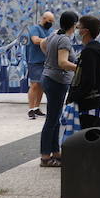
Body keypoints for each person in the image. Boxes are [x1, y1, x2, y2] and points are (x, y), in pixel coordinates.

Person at [38, 11, 79, 168]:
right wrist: (80, 68)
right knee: (52, 120)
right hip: (56, 81)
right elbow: (63, 63)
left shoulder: (55, 34)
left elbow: (43, 44)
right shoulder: (64, 40)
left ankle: (55, 153)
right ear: (73, 25)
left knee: (55, 118)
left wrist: (50, 59)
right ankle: (45, 157)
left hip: (49, 78)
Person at [26, 11, 53, 121]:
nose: (50, 23)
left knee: (42, 85)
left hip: (46, 62)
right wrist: (49, 40)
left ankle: (37, 107)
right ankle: (31, 109)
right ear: (43, 18)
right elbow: (36, 40)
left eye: (52, 21)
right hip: (35, 61)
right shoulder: (35, 28)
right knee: (34, 85)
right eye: (49, 20)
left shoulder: (50, 30)